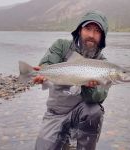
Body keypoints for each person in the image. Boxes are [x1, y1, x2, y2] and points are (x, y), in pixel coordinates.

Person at [34, 10, 109, 150]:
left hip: (80, 115)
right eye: (88, 29)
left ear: (102, 36)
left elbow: (100, 95)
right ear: (80, 30)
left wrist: (90, 86)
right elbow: (48, 63)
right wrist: (43, 71)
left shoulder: (103, 64)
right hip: (55, 114)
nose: (91, 35)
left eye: (97, 31)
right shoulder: (61, 46)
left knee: (94, 110)